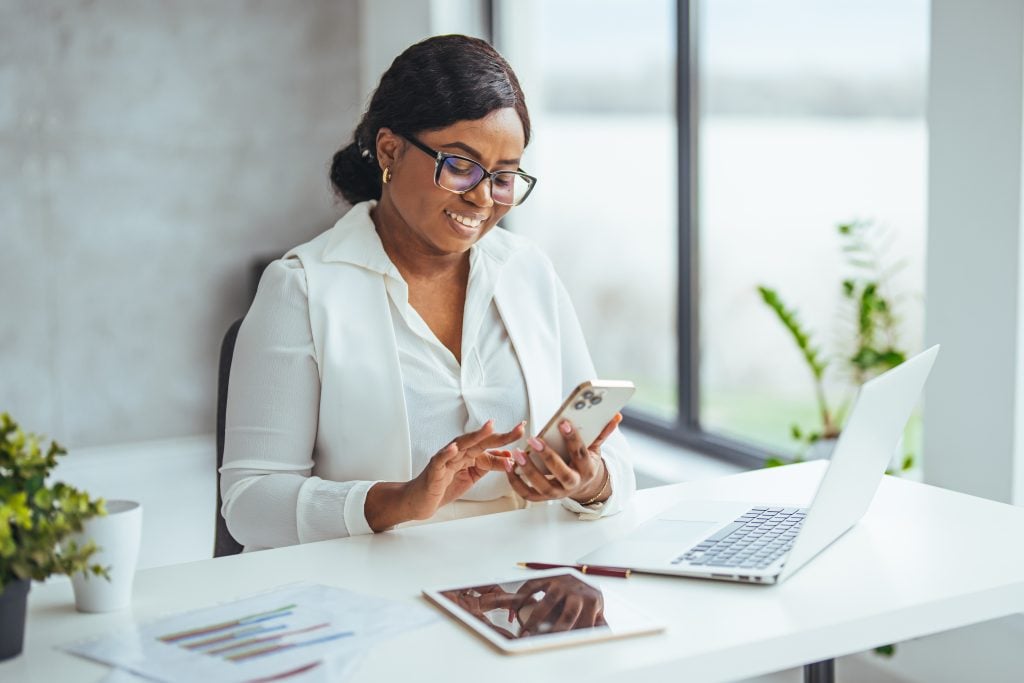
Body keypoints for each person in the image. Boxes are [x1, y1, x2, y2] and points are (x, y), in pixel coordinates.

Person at [220, 34, 635, 551]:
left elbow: (611, 454)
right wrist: (398, 502)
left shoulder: (528, 272)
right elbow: (250, 503)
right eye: (460, 165)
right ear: (390, 150)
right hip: (372, 598)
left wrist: (588, 481)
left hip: (527, 588)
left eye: (504, 177)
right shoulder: (301, 289)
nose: (483, 197)